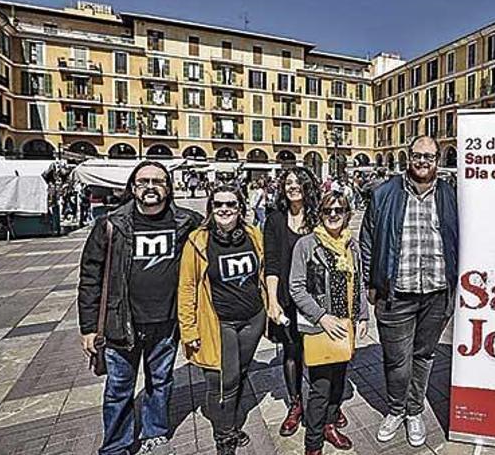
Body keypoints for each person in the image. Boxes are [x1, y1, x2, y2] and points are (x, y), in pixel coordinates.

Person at [78, 161, 203, 455]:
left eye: (158, 182)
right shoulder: (111, 225)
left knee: (160, 381)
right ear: (133, 188)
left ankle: (154, 430)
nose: (150, 187)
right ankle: (116, 445)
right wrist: (87, 328)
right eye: (144, 181)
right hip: (121, 322)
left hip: (167, 322)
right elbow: (90, 277)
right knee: (118, 389)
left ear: (169, 188)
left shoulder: (187, 222)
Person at [360, 135, 458, 447]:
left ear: (437, 161)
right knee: (396, 360)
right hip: (395, 293)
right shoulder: (385, 193)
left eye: (429, 157)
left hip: (436, 293)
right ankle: (395, 410)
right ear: (408, 157)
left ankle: (414, 411)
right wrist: (371, 284)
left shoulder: (450, 194)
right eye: (417, 156)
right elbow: (367, 241)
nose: (422, 162)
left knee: (424, 355)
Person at [177, 186, 267, 455]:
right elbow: (187, 287)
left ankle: (229, 424)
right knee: (220, 380)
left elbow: (263, 273)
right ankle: (225, 437)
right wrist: (188, 328)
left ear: (240, 209)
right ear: (211, 208)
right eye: (218, 205)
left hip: (252, 319)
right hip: (219, 323)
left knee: (238, 374)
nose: (224, 209)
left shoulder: (253, 235)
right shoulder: (198, 241)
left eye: (231, 204)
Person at [290, 192, 369, 455]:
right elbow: (296, 287)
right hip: (320, 327)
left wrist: (362, 316)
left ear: (347, 213)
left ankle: (330, 425)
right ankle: (313, 444)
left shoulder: (352, 245)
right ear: (320, 214)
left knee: (339, 383)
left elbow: (357, 283)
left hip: (345, 325)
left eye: (339, 210)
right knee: (320, 388)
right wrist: (321, 317)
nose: (333, 215)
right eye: (328, 211)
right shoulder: (307, 245)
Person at [263, 166, 324, 436]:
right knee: (292, 352)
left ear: (308, 185)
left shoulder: (319, 218)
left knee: (322, 352)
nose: (292, 186)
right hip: (288, 300)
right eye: (288, 182)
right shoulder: (275, 219)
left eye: (298, 182)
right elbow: (272, 263)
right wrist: (273, 300)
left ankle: (326, 405)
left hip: (318, 300)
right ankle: (296, 404)